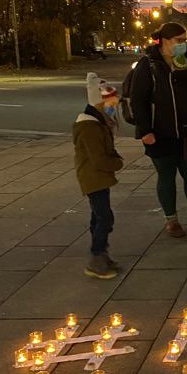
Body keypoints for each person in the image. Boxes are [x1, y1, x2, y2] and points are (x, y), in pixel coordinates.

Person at [130, 22, 187, 236]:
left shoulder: (186, 64)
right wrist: (145, 130)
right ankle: (171, 220)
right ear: (164, 40)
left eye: (185, 40)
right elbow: (138, 100)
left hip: (186, 132)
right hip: (160, 133)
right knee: (166, 177)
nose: (183, 44)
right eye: (179, 40)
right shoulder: (149, 65)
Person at [73, 73, 124, 280]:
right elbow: (98, 158)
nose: (113, 108)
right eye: (111, 104)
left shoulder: (96, 123)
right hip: (93, 177)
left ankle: (101, 255)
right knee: (105, 217)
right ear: (99, 104)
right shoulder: (90, 128)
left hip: (97, 177)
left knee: (98, 216)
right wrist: (117, 163)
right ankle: (97, 257)